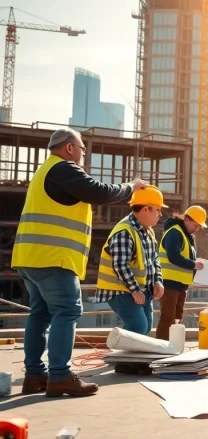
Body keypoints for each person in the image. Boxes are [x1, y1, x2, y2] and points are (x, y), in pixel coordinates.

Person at [12, 127, 146, 397]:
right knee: (68, 311)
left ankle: (35, 374)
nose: (83, 154)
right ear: (70, 148)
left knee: (40, 314)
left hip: (30, 257)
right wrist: (131, 187)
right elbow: (100, 192)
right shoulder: (63, 168)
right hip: (54, 258)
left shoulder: (44, 171)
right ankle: (60, 376)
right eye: (82, 149)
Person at [96, 185, 165, 338]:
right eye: (158, 209)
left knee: (145, 328)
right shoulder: (124, 232)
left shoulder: (148, 231)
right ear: (146, 209)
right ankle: (119, 350)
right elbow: (120, 265)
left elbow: (154, 259)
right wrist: (135, 290)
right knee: (138, 327)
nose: (160, 214)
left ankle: (121, 348)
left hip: (142, 289)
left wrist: (158, 281)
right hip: (121, 290)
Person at [156, 206, 207, 340]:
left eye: (199, 226)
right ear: (187, 220)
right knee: (168, 318)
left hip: (181, 284)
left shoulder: (186, 235)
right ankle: (162, 346)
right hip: (169, 283)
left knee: (176, 317)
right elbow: (173, 256)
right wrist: (193, 264)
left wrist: (195, 264)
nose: (197, 229)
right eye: (196, 225)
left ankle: (173, 344)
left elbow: (184, 256)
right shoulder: (175, 233)